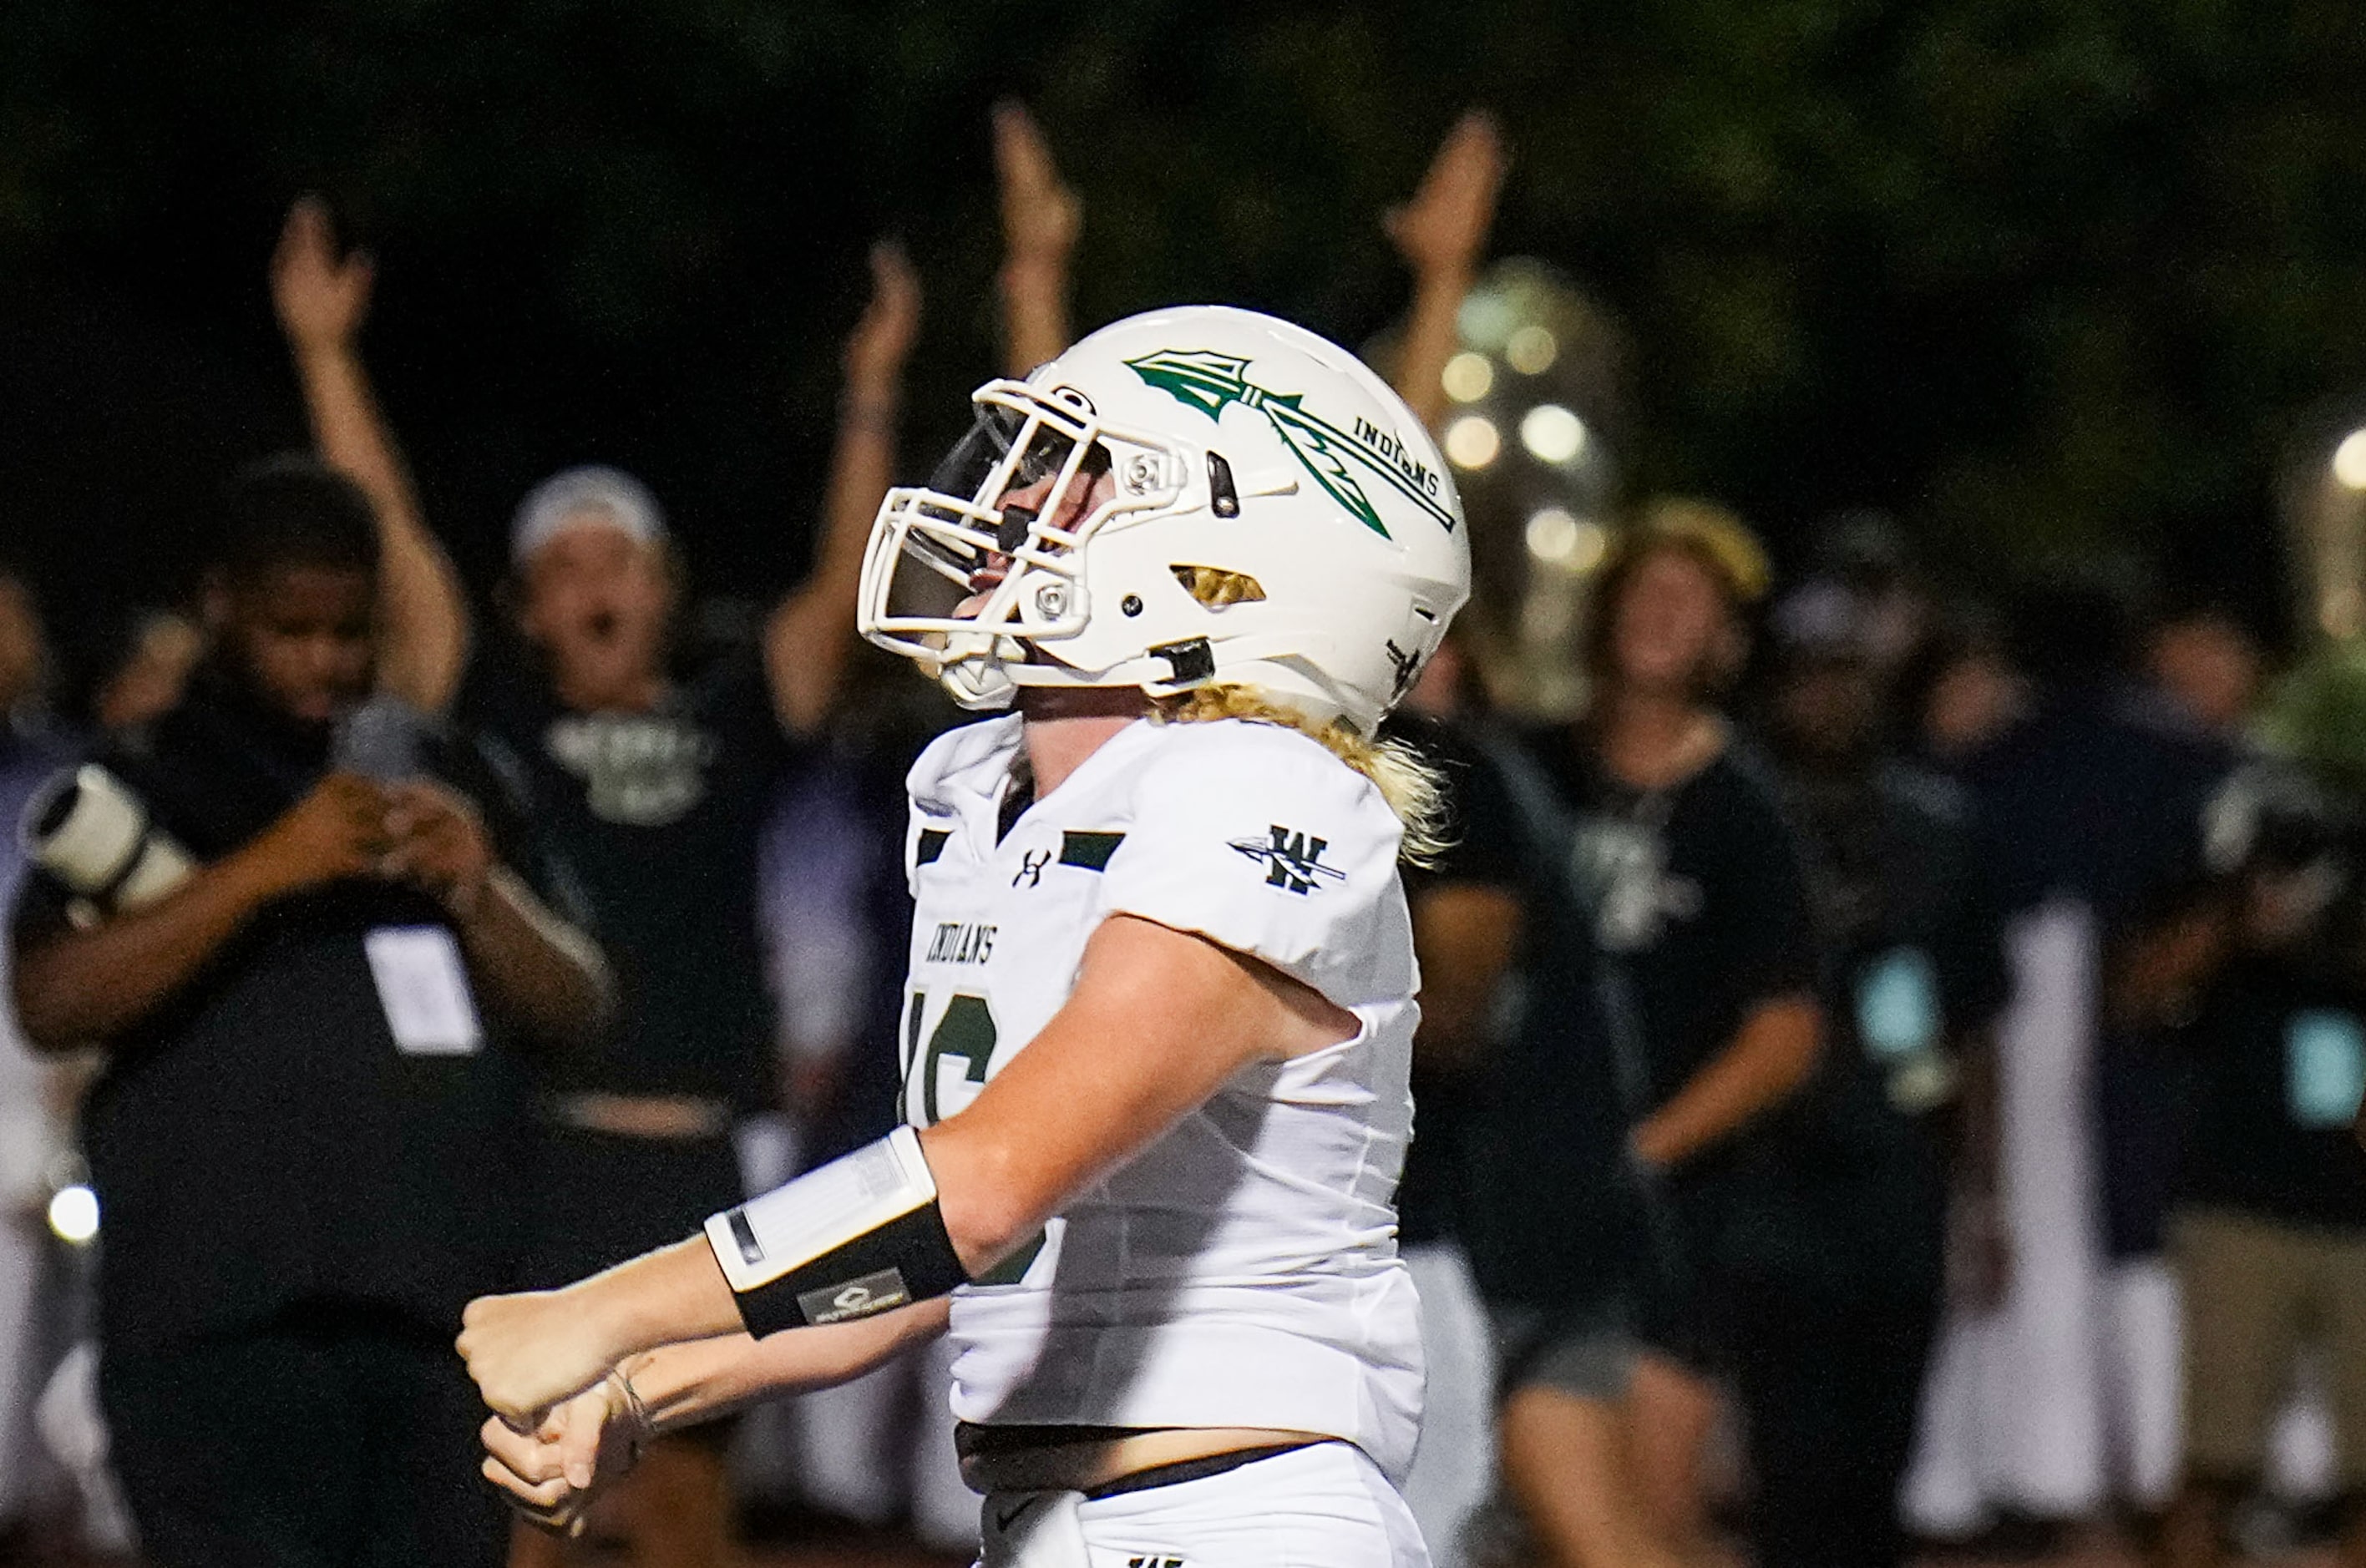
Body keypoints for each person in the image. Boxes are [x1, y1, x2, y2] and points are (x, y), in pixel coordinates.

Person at [456, 304, 1470, 1568]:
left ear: (1225, 545)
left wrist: (603, 1310)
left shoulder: (1257, 787)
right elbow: (934, 1247)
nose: (1007, 507)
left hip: (1231, 1514)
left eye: (1073, 478)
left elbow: (982, 1188)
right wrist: (639, 1386)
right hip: (1069, 1518)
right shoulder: (993, 800)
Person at [271, 195, 920, 1568]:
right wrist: (327, 357)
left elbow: (845, 593)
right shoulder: (497, 707)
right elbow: (400, 564)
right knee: (529, 1481)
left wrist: (869, 388)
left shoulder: (733, 714)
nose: (589, 586)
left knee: (687, 1487)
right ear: (525, 606)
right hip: (537, 1141)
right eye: (559, 569)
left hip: (695, 1148)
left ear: (665, 584)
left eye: (612, 557)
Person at [8, 458, 608, 1568]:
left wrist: (482, 888)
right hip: (213, 1330)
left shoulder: (446, 771)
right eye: (294, 630)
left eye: (349, 631)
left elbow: (579, 1002)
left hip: (438, 1325)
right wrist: (264, 869)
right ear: (222, 604)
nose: (326, 662)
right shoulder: (147, 776)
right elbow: (49, 998)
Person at [1502, 501, 1823, 1555]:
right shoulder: (1532, 770)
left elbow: (1784, 1034)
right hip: (1518, 1188)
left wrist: (1643, 1150)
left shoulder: (1744, 812)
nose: (1657, 617)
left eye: (1687, 603)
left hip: (1665, 1215)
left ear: (1724, 640)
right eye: (1642, 592)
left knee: (1646, 1510)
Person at [1735, 586, 2009, 1568]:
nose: (1826, 699)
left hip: (1900, 1165)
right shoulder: (1738, 810)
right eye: (1806, 677)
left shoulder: (1935, 825)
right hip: (1765, 1174)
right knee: (1789, 1460)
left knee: (1882, 1450)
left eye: (1846, 675)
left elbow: (1976, 1024)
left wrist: (1985, 1193)